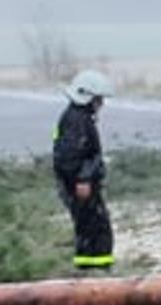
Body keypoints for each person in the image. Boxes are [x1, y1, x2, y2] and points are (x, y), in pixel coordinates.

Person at [53, 69, 115, 271]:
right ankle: (95, 274)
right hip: (80, 185)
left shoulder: (77, 118)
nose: (101, 104)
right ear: (87, 96)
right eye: (98, 99)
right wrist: (84, 179)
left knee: (92, 228)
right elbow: (71, 157)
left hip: (80, 184)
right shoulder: (76, 121)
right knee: (94, 229)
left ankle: (94, 271)